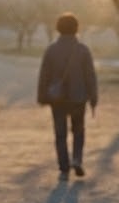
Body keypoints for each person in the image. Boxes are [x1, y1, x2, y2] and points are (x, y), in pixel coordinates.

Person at [37, 12, 98, 180]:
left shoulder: (51, 50)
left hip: (58, 100)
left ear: (58, 29)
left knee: (60, 133)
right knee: (78, 131)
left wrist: (42, 96)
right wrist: (93, 97)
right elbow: (90, 76)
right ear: (76, 28)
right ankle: (77, 159)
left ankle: (64, 167)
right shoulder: (83, 50)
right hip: (78, 98)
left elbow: (44, 75)